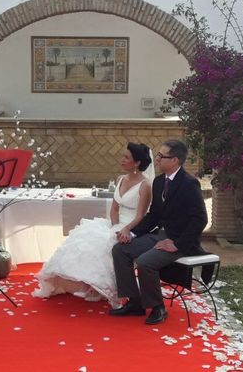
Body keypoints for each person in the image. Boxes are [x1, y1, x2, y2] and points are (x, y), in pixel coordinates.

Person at [33, 142, 154, 305]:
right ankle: (79, 284)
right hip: (114, 224)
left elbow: (141, 215)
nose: (122, 160)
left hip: (131, 227)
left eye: (126, 157)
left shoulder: (145, 185)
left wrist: (124, 229)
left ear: (137, 162)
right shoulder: (120, 179)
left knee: (105, 244)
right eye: (123, 156)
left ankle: (103, 288)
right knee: (84, 237)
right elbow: (114, 208)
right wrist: (114, 226)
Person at [110, 139, 208, 325]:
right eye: (158, 154)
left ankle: (158, 308)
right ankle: (135, 303)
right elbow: (154, 215)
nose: (157, 159)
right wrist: (131, 233)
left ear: (175, 160)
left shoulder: (189, 183)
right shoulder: (159, 181)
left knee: (144, 262)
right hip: (158, 235)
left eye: (162, 156)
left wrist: (177, 244)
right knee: (120, 250)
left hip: (179, 240)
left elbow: (200, 219)